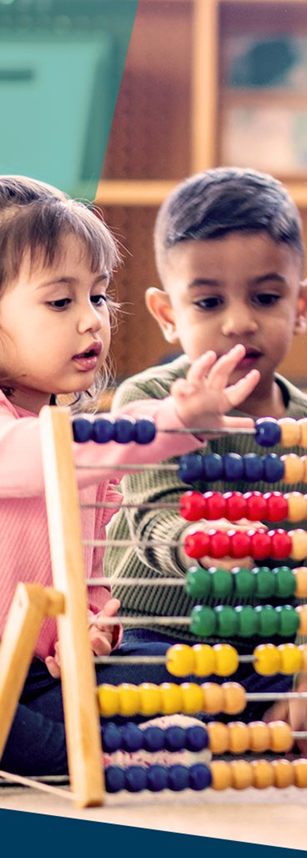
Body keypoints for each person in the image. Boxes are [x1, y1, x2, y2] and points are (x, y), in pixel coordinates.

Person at [0, 175, 258, 776]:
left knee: (185, 671)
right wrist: (170, 419)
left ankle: (108, 734)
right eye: (61, 302)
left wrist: (91, 630)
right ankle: (97, 750)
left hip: (32, 673)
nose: (92, 321)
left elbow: (91, 569)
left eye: (98, 296)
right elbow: (46, 456)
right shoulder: (47, 442)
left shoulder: (78, 444)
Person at [105, 168, 307, 757]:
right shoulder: (147, 404)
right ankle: (195, 728)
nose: (240, 321)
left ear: (302, 306)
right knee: (107, 686)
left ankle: (266, 717)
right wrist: (204, 539)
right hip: (157, 637)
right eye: (208, 302)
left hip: (263, 650)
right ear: (168, 314)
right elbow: (154, 522)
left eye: (266, 298)